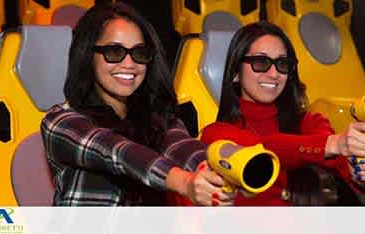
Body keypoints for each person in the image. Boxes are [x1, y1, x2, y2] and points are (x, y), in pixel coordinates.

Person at [40, 2, 234, 206]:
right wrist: (185, 183)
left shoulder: (160, 118)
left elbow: (183, 147)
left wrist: (215, 172)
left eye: (139, 53)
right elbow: (116, 151)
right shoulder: (61, 122)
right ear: (88, 55)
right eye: (114, 52)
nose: (129, 64)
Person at [199, 21, 365, 206]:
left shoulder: (311, 122)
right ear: (235, 73)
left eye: (282, 64)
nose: (274, 74)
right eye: (260, 62)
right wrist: (334, 144)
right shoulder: (216, 134)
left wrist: (363, 169)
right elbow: (265, 148)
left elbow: (339, 163)